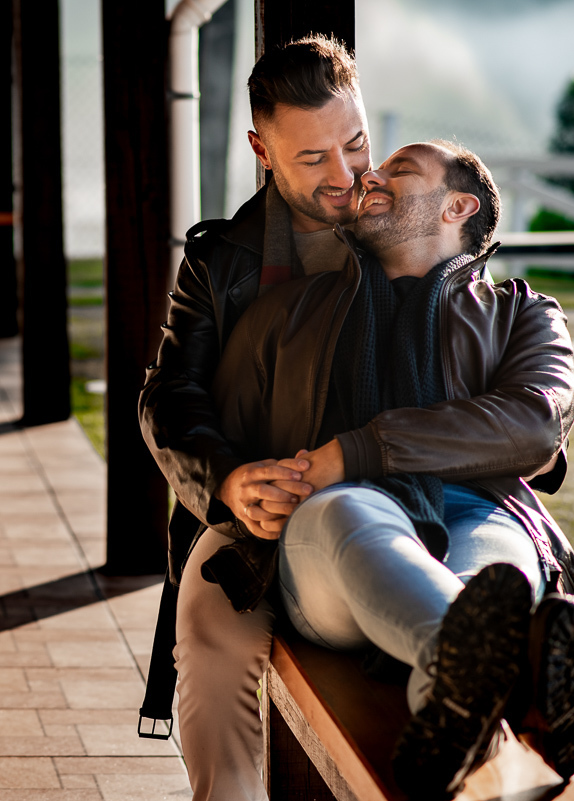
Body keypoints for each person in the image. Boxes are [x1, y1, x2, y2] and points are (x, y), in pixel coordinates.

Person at [210, 140, 574, 797]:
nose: (372, 175)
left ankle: (458, 706)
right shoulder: (290, 309)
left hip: (481, 510)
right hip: (330, 532)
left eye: (401, 168)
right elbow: (220, 434)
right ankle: (526, 680)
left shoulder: (522, 314)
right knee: (349, 509)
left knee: (498, 583)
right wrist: (244, 484)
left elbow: (536, 422)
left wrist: (366, 445)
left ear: (458, 206)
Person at [137, 34, 376, 800]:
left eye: (356, 143)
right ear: (260, 149)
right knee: (207, 629)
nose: (345, 177)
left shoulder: (415, 221)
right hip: (251, 521)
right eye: (313, 159)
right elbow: (169, 398)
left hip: (390, 504)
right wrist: (230, 481)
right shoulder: (220, 262)